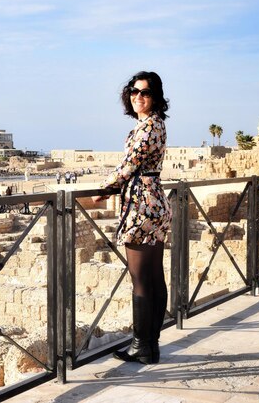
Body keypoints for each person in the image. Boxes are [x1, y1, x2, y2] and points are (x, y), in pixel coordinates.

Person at [92, 71, 171, 365]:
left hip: (142, 205)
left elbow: (130, 164)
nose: (138, 96)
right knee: (153, 277)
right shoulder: (154, 124)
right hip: (153, 202)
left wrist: (107, 188)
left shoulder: (149, 126)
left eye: (145, 92)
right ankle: (151, 345)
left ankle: (142, 345)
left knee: (141, 279)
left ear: (156, 97)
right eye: (134, 91)